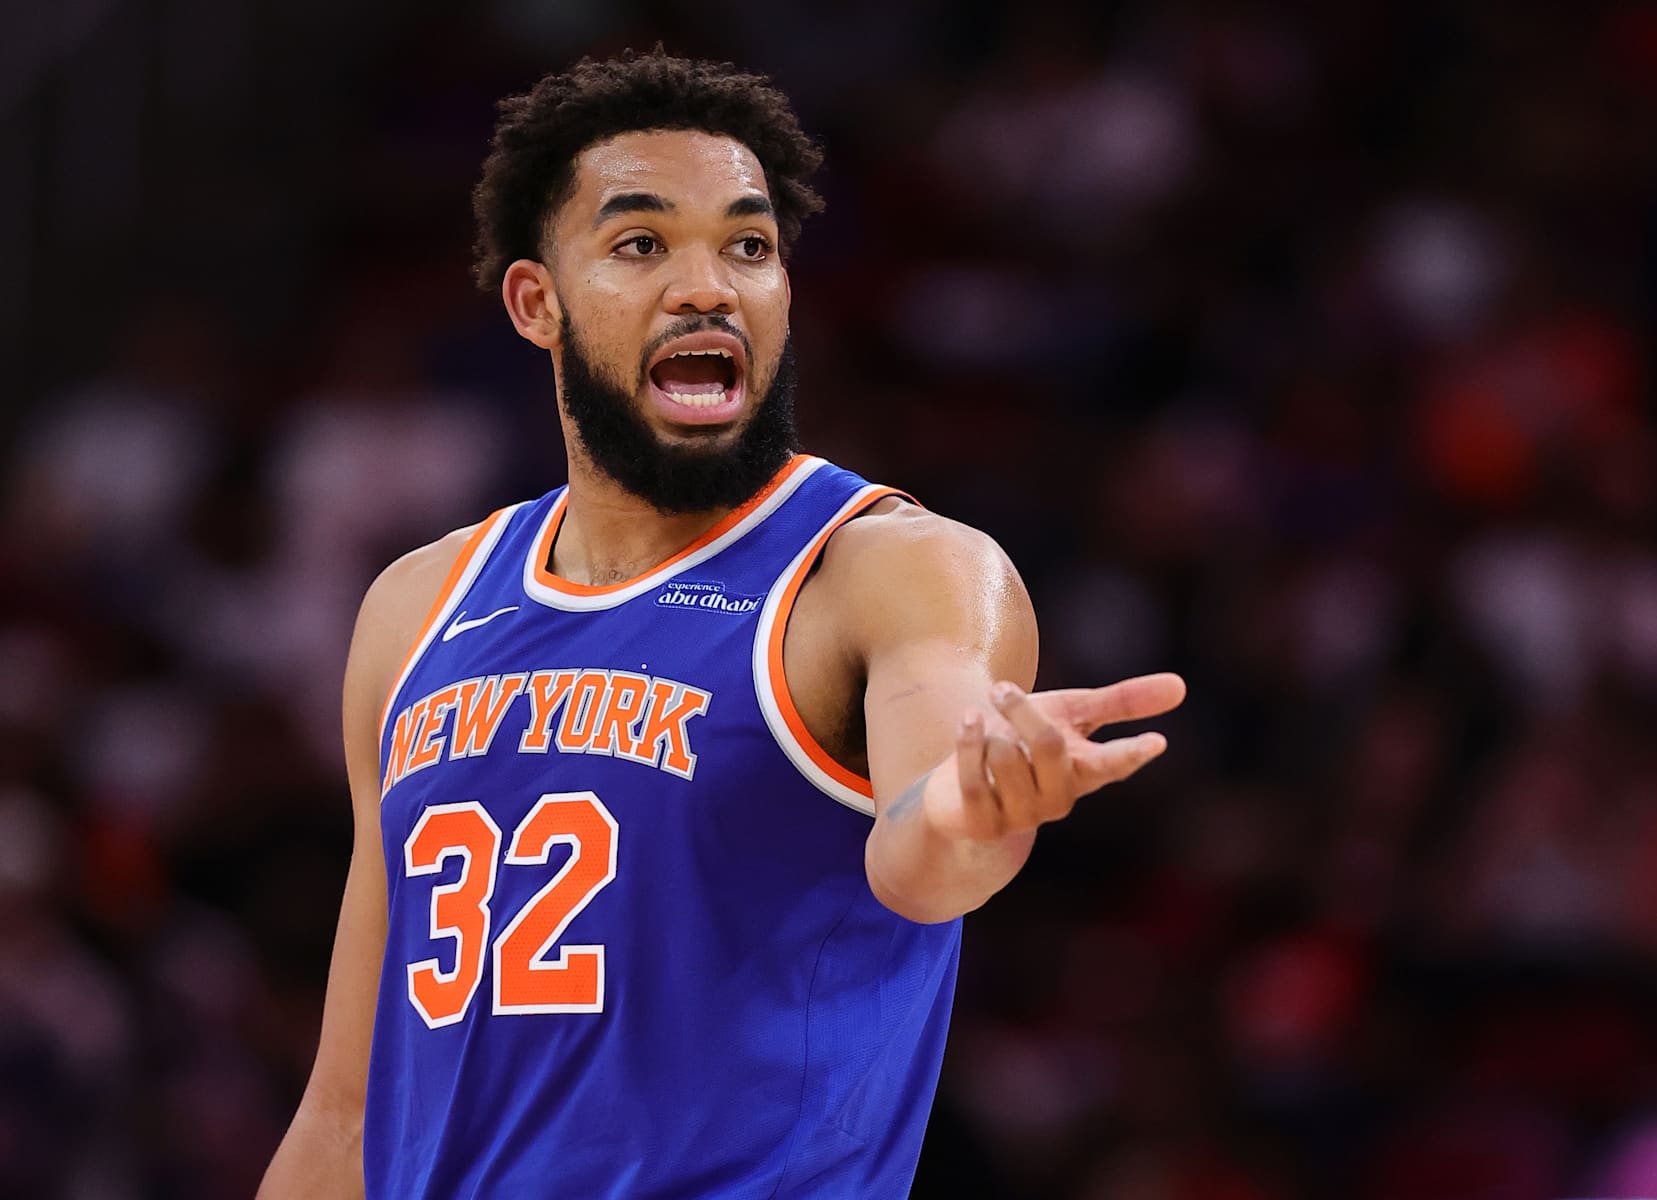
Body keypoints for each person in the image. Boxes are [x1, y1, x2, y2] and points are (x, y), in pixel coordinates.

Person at [258, 48, 1184, 1199]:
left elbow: (926, 848)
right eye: (641, 243)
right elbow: (349, 1110)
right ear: (537, 303)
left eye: (748, 246)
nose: (709, 286)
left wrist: (972, 803)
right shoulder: (418, 607)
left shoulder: (889, 570)